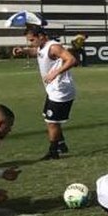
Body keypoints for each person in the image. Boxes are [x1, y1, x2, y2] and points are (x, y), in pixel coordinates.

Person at [12, 23, 78, 160]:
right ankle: (61, 144)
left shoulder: (53, 47)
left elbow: (71, 59)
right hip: (52, 90)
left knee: (52, 122)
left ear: (41, 36)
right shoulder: (42, 47)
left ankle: (53, 152)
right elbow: (37, 52)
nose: (31, 43)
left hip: (61, 91)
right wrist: (23, 51)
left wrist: (55, 72)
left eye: (32, 40)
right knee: (50, 119)